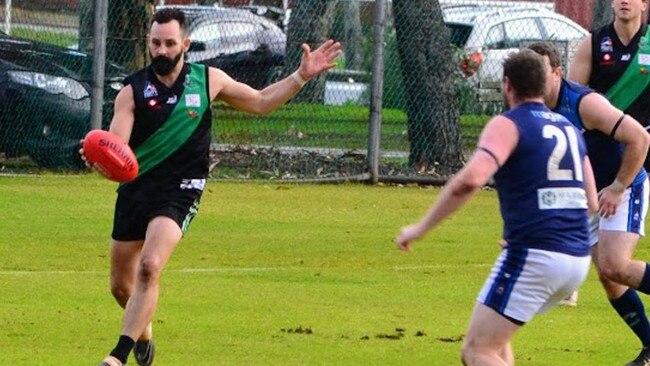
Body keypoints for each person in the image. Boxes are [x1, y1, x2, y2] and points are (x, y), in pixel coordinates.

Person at [85, 8, 342, 366]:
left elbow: (262, 101)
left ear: (186, 44)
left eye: (170, 43)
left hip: (180, 189)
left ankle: (117, 356)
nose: (162, 50)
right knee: (120, 286)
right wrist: (104, 163)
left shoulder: (208, 81)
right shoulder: (131, 92)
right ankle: (143, 332)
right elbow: (119, 152)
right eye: (156, 43)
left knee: (150, 267)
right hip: (138, 189)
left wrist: (301, 75)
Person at [395, 49, 598, 366]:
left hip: (537, 254)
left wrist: (419, 228)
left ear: (507, 84)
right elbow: (591, 200)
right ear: (545, 84)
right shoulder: (567, 127)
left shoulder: (508, 123)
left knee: (477, 351)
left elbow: (469, 180)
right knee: (497, 342)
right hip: (577, 256)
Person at [529, 42, 650, 365]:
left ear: (557, 73)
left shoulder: (584, 103)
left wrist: (618, 186)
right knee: (609, 278)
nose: (533, 81)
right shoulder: (530, 110)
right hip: (588, 195)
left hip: (622, 185)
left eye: (539, 73)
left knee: (615, 265)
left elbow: (640, 138)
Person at [567, 0, 650, 362]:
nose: (624, 1)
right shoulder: (593, 42)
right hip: (594, 169)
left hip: (630, 165)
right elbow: (569, 103)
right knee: (609, 275)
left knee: (615, 264)